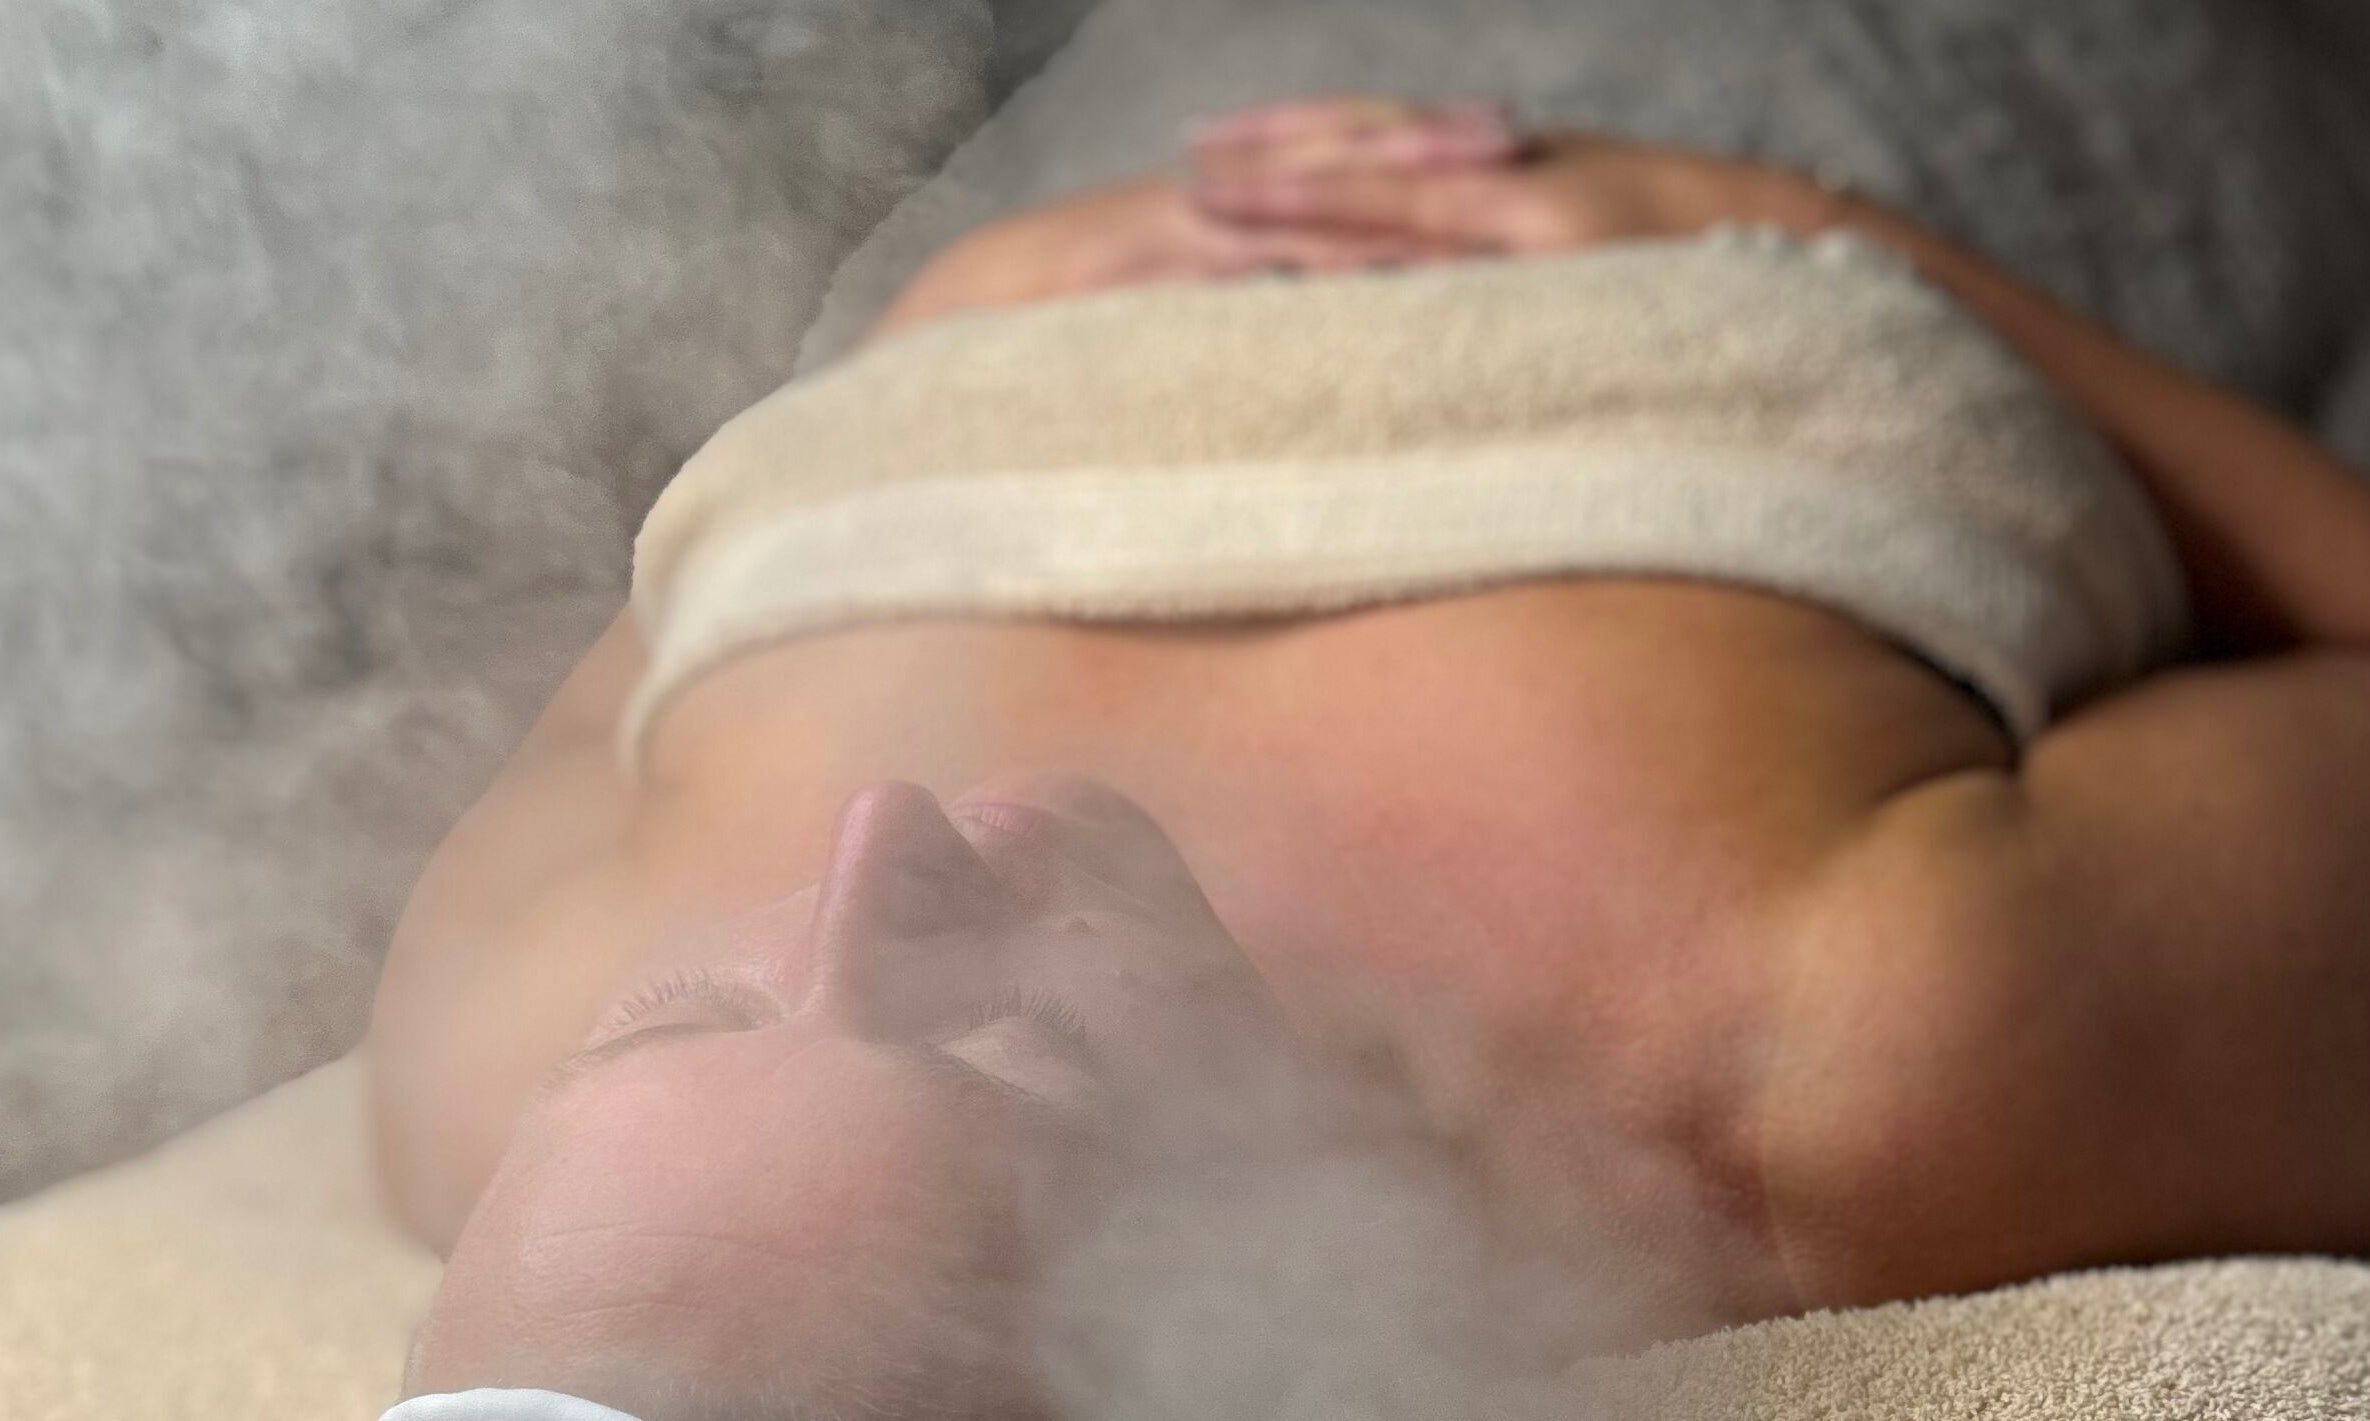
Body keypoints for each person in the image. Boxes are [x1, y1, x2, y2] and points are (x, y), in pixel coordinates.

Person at [368, 97, 2370, 1418]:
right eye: (1005, 1039)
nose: (868, 844)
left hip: (993, 243)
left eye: (689, 1011)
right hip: (1715, 227)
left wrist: (897, 361)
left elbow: (631, 647)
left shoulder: (477, 1080)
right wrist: (1795, 222)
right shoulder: (1860, 1062)